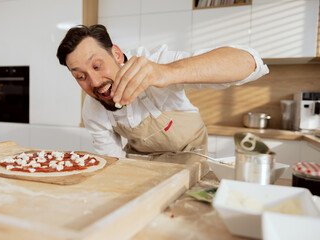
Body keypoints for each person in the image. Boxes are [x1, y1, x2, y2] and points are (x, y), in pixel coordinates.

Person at [57, 24, 269, 182]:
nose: (94, 82)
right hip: (140, 174)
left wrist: (168, 73)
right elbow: (115, 164)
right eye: (80, 77)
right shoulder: (93, 110)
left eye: (97, 66)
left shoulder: (157, 62)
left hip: (194, 169)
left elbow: (251, 63)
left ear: (117, 54)